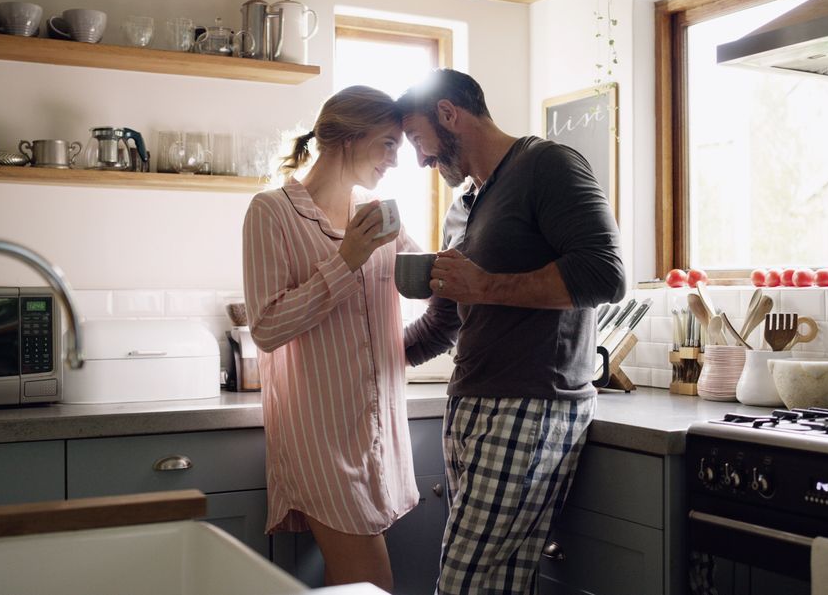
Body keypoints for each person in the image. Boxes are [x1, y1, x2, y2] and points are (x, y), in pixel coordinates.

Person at [399, 69, 626, 594]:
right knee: (494, 584)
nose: (420, 160)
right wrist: (366, 360)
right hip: (470, 406)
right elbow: (444, 321)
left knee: (464, 584)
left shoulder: (547, 164)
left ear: (449, 114)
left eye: (418, 141)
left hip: (532, 404)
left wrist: (485, 286)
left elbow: (604, 274)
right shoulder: (463, 208)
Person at [242, 85, 419, 592]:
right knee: (372, 585)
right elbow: (267, 327)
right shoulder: (271, 212)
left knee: (356, 586)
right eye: (387, 144)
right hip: (321, 436)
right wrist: (347, 261)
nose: (393, 160)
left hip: (380, 433)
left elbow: (425, 279)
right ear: (349, 137)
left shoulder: (378, 210)